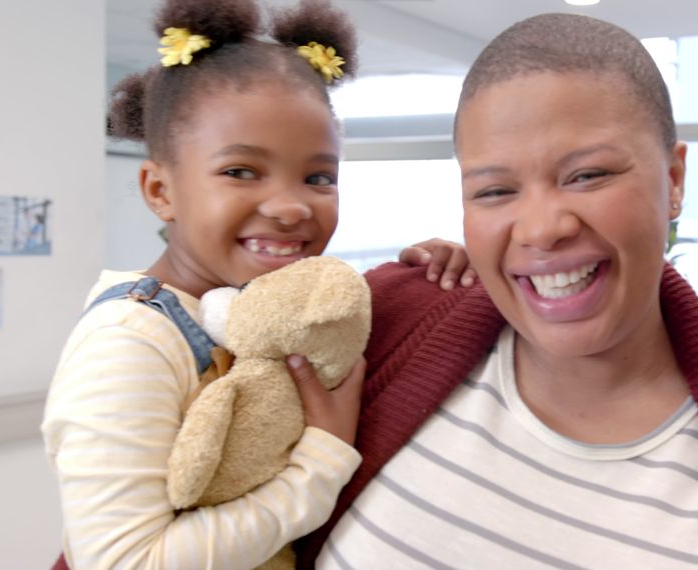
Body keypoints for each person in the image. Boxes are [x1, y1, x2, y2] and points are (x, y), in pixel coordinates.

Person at [295, 12, 698, 569]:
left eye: (588, 175)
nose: (542, 228)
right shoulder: (384, 323)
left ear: (674, 180)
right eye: (496, 191)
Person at [42, 0, 472, 568]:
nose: (291, 208)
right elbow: (126, 562)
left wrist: (425, 272)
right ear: (159, 190)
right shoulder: (130, 342)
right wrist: (320, 463)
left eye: (318, 177)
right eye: (241, 171)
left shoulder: (254, 304)